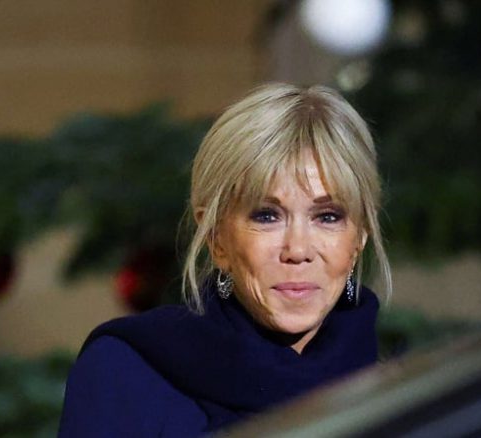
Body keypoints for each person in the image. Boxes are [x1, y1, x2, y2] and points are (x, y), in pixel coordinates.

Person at [58, 83, 392, 437]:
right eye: (267, 216)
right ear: (217, 237)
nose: (298, 250)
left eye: (327, 217)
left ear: (360, 237)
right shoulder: (123, 374)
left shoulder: (401, 391)